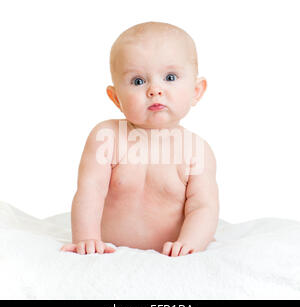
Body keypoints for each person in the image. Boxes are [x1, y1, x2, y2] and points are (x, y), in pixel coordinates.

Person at [60, 21, 219, 257]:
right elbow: (89, 192)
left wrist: (189, 243)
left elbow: (203, 207)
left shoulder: (197, 150)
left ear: (196, 91)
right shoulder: (107, 137)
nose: (155, 89)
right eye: (138, 81)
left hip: (168, 256)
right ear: (116, 98)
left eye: (170, 77)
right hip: (111, 252)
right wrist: (86, 239)